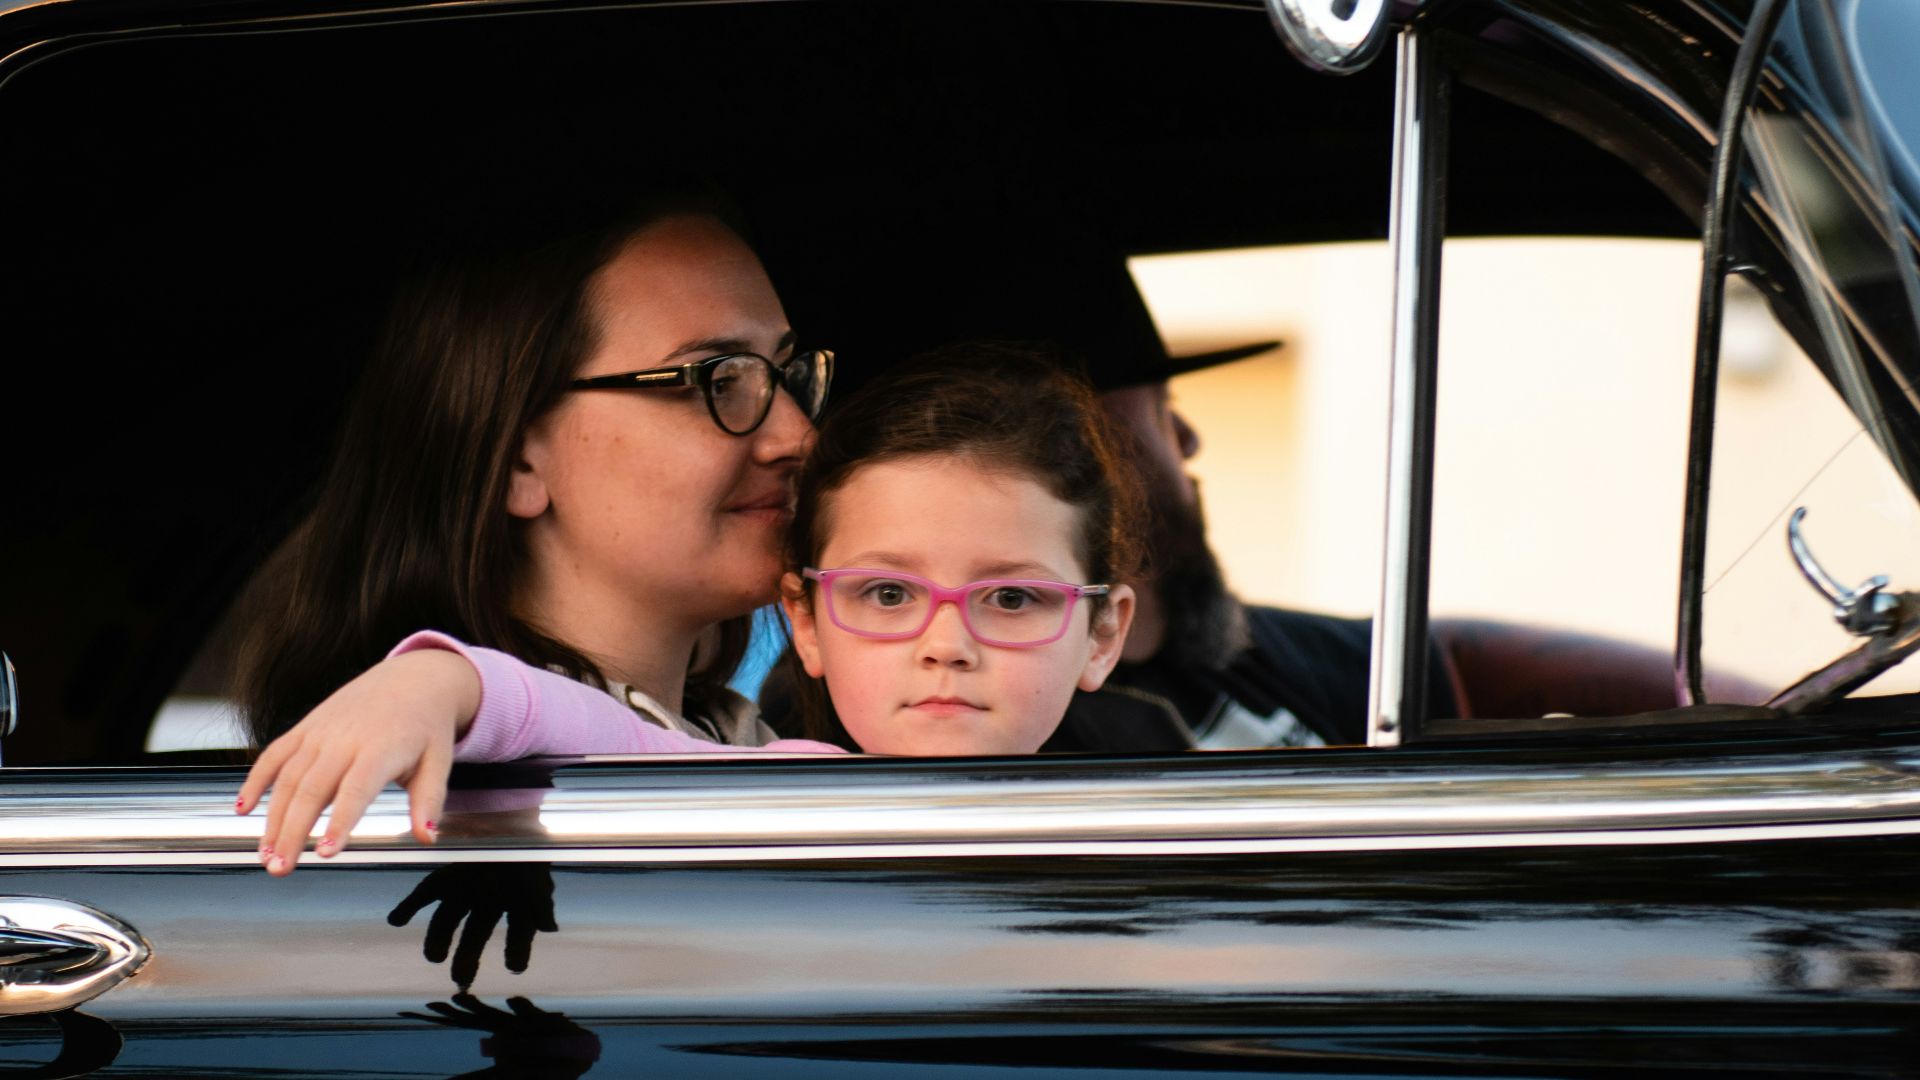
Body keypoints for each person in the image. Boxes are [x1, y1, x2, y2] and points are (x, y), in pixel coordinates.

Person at [238, 349, 1140, 871]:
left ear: (1103, 634)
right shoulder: (780, 792)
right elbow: (608, 733)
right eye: (888, 593)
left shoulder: (1157, 831)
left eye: (1012, 598)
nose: (947, 643)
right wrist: (445, 683)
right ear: (806, 623)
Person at [234, 189, 832, 857]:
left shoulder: (754, 740)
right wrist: (444, 684)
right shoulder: (434, 800)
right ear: (517, 458)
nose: (799, 436)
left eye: (784, 375)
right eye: (717, 380)